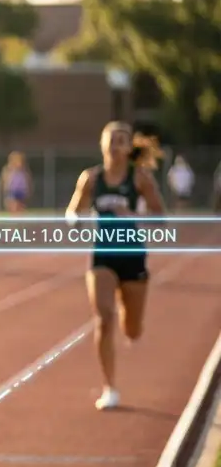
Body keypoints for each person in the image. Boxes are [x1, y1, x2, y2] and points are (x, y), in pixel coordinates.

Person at [65, 122, 165, 411]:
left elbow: (160, 217)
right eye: (111, 139)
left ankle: (127, 316)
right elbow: (74, 208)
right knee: (103, 318)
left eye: (122, 140)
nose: (116, 144)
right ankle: (109, 387)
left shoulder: (140, 178)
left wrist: (131, 213)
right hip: (103, 255)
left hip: (133, 256)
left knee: (132, 330)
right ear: (102, 144)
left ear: (129, 146)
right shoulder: (92, 178)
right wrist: (76, 219)